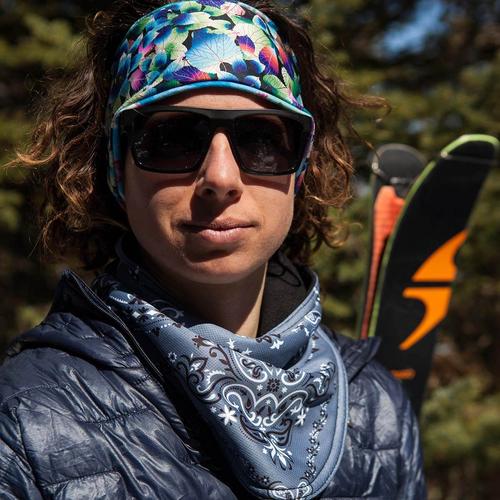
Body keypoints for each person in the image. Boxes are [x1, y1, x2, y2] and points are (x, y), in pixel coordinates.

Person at [0, 0, 426, 498]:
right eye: (173, 138)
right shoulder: (27, 421)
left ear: (300, 168)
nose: (221, 178)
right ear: (117, 168)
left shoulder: (376, 410)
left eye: (261, 139)